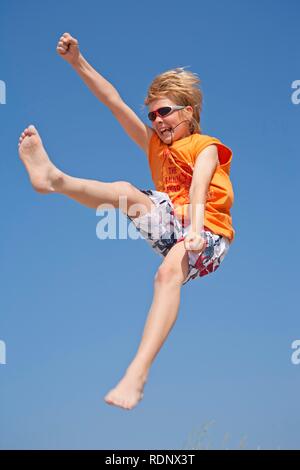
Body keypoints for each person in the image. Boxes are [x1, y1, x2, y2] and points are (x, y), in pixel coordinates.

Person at [18, 32, 235, 411]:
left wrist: (197, 230)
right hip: (171, 223)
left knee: (167, 275)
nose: (157, 121)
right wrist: (77, 62)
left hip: (209, 234)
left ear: (188, 110)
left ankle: (137, 374)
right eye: (152, 114)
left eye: (164, 111)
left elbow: (200, 183)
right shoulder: (154, 146)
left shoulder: (205, 146)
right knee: (125, 191)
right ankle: (53, 180)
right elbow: (113, 101)